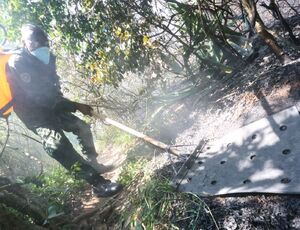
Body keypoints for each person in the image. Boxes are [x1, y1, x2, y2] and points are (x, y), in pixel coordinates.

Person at [6, 24, 123, 197]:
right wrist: (75, 105)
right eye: (36, 43)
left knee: (82, 127)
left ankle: (93, 163)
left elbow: (53, 85)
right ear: (25, 44)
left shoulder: (48, 58)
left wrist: (67, 102)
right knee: (57, 144)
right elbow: (39, 97)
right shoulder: (18, 62)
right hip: (34, 114)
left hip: (53, 106)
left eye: (44, 42)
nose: (42, 47)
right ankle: (98, 184)